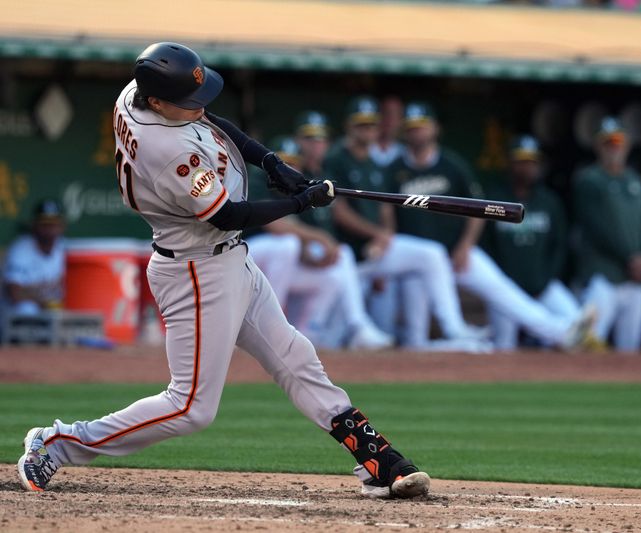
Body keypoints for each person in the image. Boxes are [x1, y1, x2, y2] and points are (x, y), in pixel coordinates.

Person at [17, 42, 429, 500]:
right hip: (196, 271)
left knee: (296, 357)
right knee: (191, 408)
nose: (199, 106)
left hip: (228, 259)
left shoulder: (138, 91)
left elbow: (211, 121)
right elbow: (227, 215)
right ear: (157, 102)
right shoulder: (166, 148)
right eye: (187, 100)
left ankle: (378, 459)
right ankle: (57, 443)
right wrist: (299, 202)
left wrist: (272, 162)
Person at [386, 102, 594, 350]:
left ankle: (561, 334)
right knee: (414, 337)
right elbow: (386, 216)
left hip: (456, 252)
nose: (417, 133)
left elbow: (478, 208)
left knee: (504, 293)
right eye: (411, 128)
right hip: (420, 263)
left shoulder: (452, 165)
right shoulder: (395, 169)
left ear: (435, 129)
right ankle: (460, 345)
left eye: (422, 127)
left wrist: (465, 245)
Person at [327, 96, 486, 350]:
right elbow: (339, 211)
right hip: (349, 257)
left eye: (371, 124)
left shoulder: (376, 164)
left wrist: (385, 236)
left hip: (375, 252)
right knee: (331, 338)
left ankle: (454, 329)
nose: (367, 130)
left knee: (431, 255)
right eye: (361, 125)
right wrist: (379, 234)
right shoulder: (336, 158)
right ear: (349, 126)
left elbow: (385, 211)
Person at [248, 129, 393, 350]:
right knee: (287, 245)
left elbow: (299, 233)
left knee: (332, 275)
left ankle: (310, 334)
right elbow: (274, 225)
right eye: (284, 163)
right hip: (248, 256)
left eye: (294, 163)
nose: (290, 168)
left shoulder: (297, 188)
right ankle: (266, 327)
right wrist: (315, 237)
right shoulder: (258, 179)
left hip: (278, 266)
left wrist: (310, 247)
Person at [485, 136, 583, 349]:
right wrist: (503, 282)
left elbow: (559, 246)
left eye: (532, 162)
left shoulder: (549, 201)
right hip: (506, 288)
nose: (527, 167)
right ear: (510, 163)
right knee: (504, 347)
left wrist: (545, 279)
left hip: (543, 286)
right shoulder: (495, 199)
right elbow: (486, 247)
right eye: (521, 161)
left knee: (576, 322)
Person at [573, 118, 641, 352]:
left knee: (631, 349)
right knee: (588, 344)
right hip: (602, 276)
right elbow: (598, 228)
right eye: (608, 143)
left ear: (627, 145)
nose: (614, 147)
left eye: (618, 141)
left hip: (634, 279)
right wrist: (631, 257)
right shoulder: (589, 180)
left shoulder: (637, 182)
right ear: (598, 146)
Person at [2, 200, 66, 317]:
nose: (49, 229)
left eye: (53, 224)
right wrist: (43, 302)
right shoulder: (20, 250)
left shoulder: (64, 249)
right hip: (17, 322)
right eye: (45, 224)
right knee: (27, 308)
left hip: (53, 317)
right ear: (34, 225)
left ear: (62, 226)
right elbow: (14, 293)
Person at [369, 95, 404, 168]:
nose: (390, 120)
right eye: (386, 113)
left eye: (395, 115)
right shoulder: (364, 147)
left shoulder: (404, 153)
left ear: (401, 121)